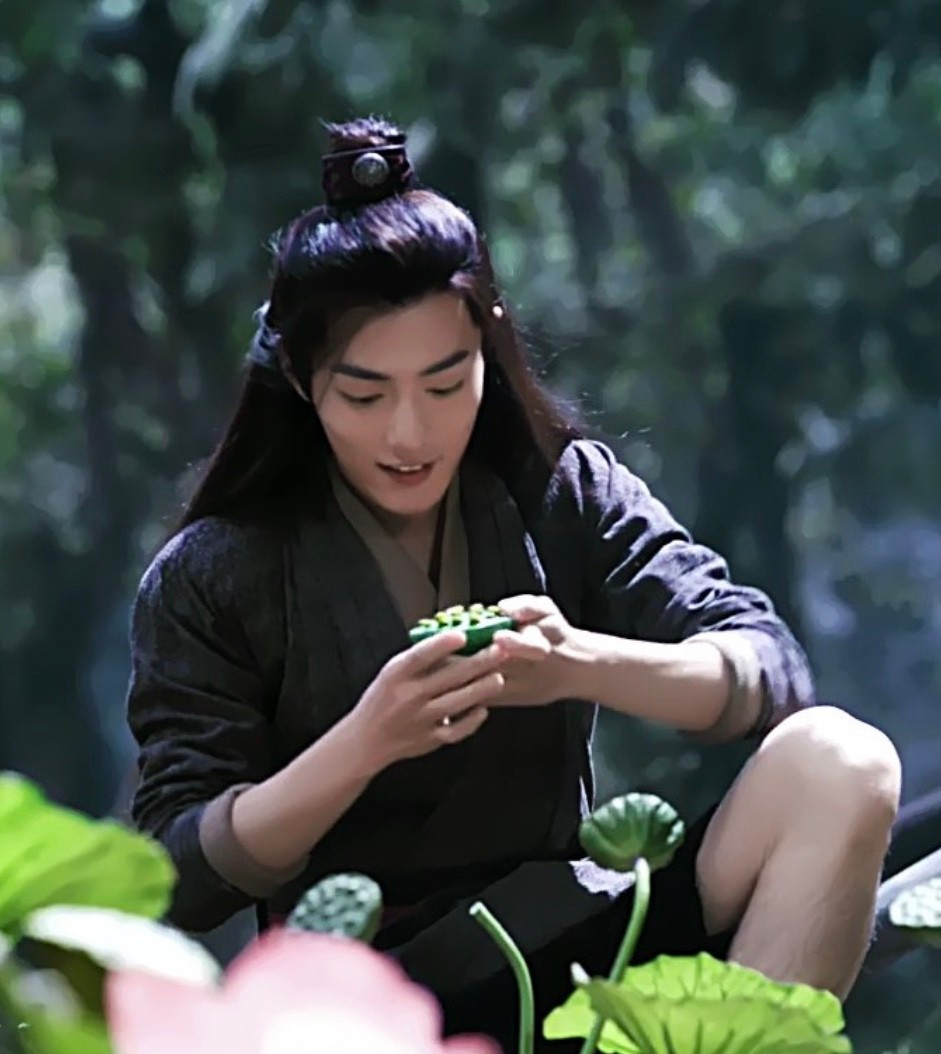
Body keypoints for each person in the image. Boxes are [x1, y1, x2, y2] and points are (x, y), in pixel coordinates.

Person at [126, 117, 901, 1051]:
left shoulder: (561, 490)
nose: (409, 434)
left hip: (584, 941)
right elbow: (174, 877)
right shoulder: (216, 574)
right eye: (365, 396)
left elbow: (764, 671)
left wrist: (581, 663)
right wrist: (365, 741)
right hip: (375, 1009)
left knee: (841, 761)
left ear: (489, 353)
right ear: (299, 377)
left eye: (446, 384)